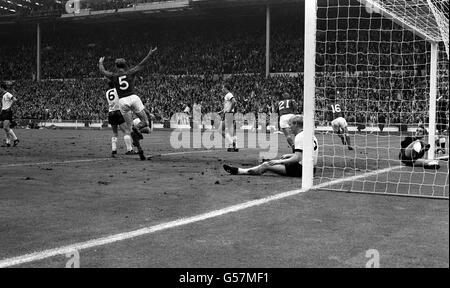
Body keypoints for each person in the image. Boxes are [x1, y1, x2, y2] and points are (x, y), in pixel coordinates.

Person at [98, 47, 157, 160]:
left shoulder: (114, 76)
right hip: (133, 97)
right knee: (145, 122)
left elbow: (103, 71)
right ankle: (138, 128)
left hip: (122, 102)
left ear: (116, 66)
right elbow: (141, 64)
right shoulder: (130, 72)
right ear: (125, 65)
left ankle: (140, 151)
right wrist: (150, 54)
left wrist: (100, 63)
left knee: (129, 129)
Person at [223, 115, 318, 177]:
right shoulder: (310, 134)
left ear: (297, 124)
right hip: (311, 169)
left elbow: (297, 158)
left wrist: (279, 161)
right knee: (280, 162)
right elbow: (305, 154)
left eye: (291, 125)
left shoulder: (300, 136)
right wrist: (289, 156)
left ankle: (240, 171)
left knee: (267, 165)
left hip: (301, 170)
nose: (289, 127)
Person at [105, 81, 129, 157]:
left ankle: (114, 150)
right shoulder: (118, 90)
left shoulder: (107, 92)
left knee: (115, 133)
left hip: (111, 113)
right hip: (119, 111)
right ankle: (129, 149)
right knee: (126, 131)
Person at [218, 83, 238, 152]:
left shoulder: (228, 95)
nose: (222, 89)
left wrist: (228, 110)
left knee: (220, 130)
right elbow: (228, 105)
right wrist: (222, 111)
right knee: (231, 131)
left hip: (228, 114)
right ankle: (235, 147)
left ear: (226, 88)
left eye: (223, 88)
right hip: (230, 114)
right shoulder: (228, 95)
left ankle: (232, 143)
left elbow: (234, 102)